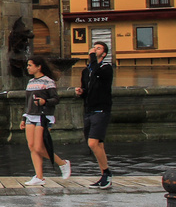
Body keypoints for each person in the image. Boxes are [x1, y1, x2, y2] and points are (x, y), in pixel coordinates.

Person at [22, 56, 71, 186]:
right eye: (28, 65)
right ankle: (39, 177)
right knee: (32, 146)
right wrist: (23, 118)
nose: (28, 67)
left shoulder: (48, 81)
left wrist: (45, 102)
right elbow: (27, 103)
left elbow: (56, 99)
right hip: (30, 116)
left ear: (39, 67)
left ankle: (63, 163)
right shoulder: (30, 82)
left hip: (43, 116)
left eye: (30, 65)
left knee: (39, 147)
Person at [78, 41, 114, 189]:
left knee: (93, 143)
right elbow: (87, 88)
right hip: (89, 110)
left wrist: (92, 56)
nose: (94, 49)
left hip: (101, 110)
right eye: (94, 47)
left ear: (104, 54)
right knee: (98, 145)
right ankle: (103, 176)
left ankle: (107, 173)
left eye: (98, 48)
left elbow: (97, 72)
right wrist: (81, 92)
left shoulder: (106, 68)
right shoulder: (86, 71)